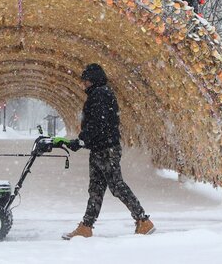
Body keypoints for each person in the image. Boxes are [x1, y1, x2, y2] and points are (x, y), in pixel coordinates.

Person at [63, 63, 155, 240]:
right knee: (96, 189)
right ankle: (86, 227)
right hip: (99, 148)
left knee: (117, 186)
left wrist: (82, 140)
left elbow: (99, 123)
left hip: (106, 149)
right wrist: (84, 140)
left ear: (93, 80)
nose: (84, 85)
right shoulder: (99, 94)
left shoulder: (101, 94)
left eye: (86, 81)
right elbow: (96, 124)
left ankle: (143, 220)